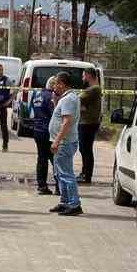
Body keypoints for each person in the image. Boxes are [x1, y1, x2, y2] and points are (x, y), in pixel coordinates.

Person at [46, 73, 83, 217]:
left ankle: (74, 204)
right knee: (59, 173)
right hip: (63, 142)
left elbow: (67, 122)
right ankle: (65, 201)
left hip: (64, 143)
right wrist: (56, 102)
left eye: (55, 84)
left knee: (66, 174)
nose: (54, 86)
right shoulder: (67, 98)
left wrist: (57, 141)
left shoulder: (69, 99)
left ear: (62, 84)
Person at [25, 78, 55, 197]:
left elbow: (30, 110)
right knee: (54, 159)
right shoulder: (50, 97)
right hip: (48, 130)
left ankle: (42, 186)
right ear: (52, 85)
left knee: (42, 158)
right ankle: (59, 186)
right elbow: (54, 113)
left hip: (37, 129)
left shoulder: (37, 95)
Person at [76, 68, 102, 184]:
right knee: (84, 149)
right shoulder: (91, 89)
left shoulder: (94, 89)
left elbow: (78, 100)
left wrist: (81, 106)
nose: (82, 78)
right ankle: (84, 173)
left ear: (88, 76)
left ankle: (86, 175)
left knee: (85, 149)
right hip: (86, 122)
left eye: (83, 76)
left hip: (88, 123)